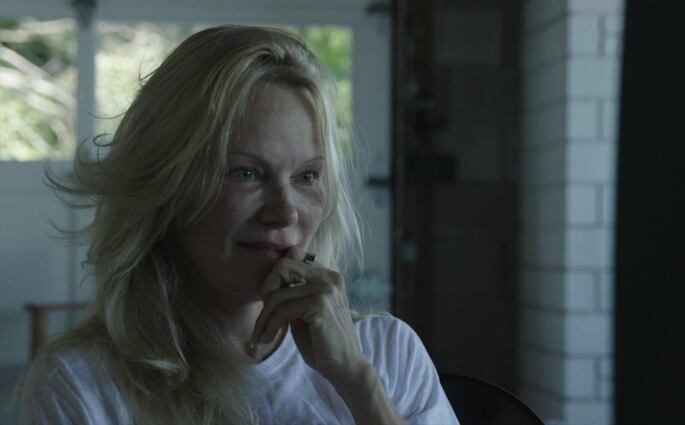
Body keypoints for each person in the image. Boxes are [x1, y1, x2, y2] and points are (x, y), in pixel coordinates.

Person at [16, 25, 459, 425]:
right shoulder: (83, 384)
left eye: (307, 176)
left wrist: (360, 388)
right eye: (246, 173)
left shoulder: (387, 353)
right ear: (169, 186)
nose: (285, 212)